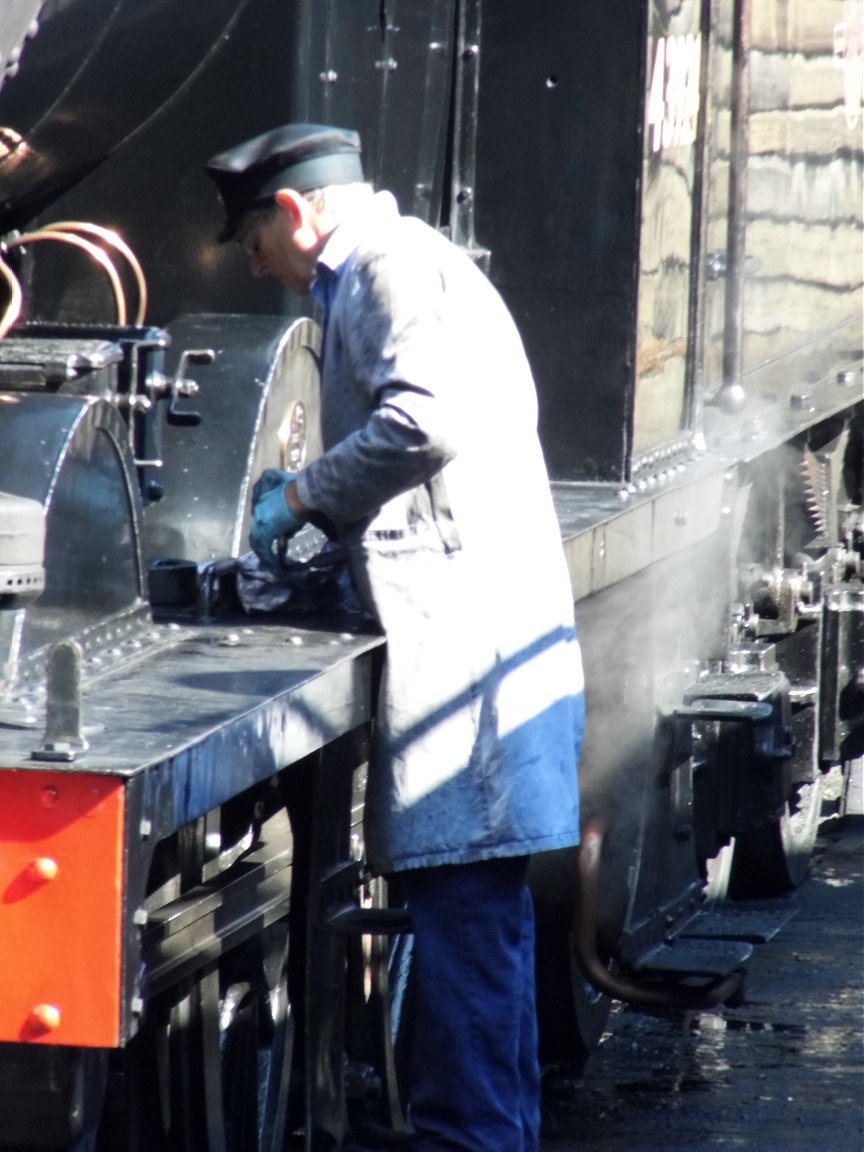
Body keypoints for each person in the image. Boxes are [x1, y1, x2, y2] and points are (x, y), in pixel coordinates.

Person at [205, 123, 585, 1152]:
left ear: (295, 212)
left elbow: (426, 421)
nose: (258, 268)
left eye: (253, 243)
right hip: (482, 636)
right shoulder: (404, 266)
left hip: (467, 654)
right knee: (484, 933)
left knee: (467, 925)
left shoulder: (387, 269)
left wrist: (305, 500)